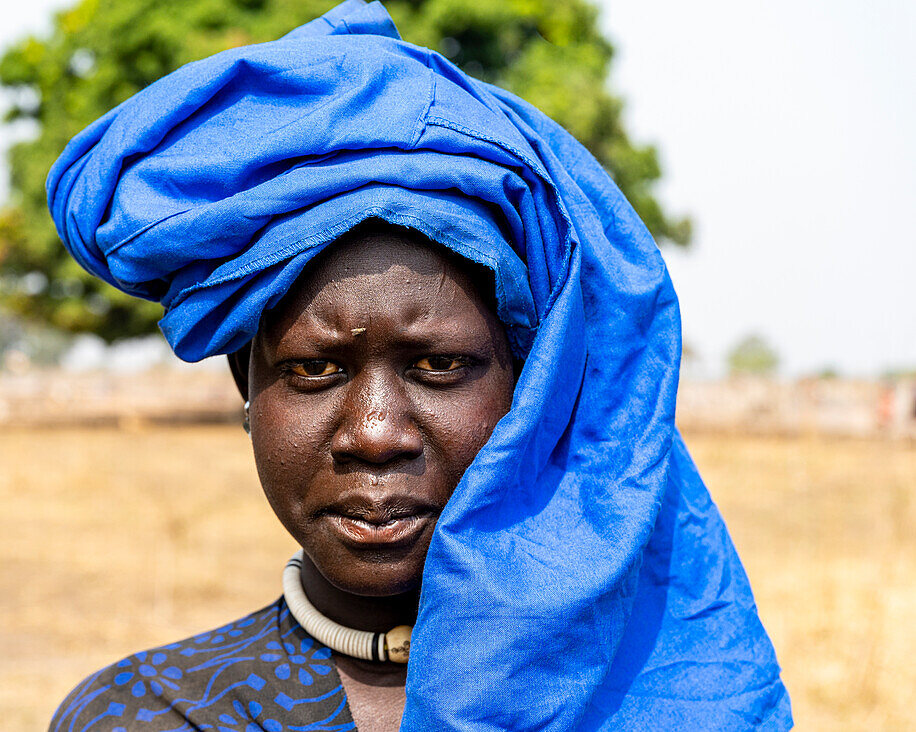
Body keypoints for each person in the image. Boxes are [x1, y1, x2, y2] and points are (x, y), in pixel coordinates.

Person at [46, 2, 792, 730]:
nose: (374, 435)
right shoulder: (151, 715)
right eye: (314, 370)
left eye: (438, 365)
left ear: (536, 393)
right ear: (247, 387)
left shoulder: (681, 691)